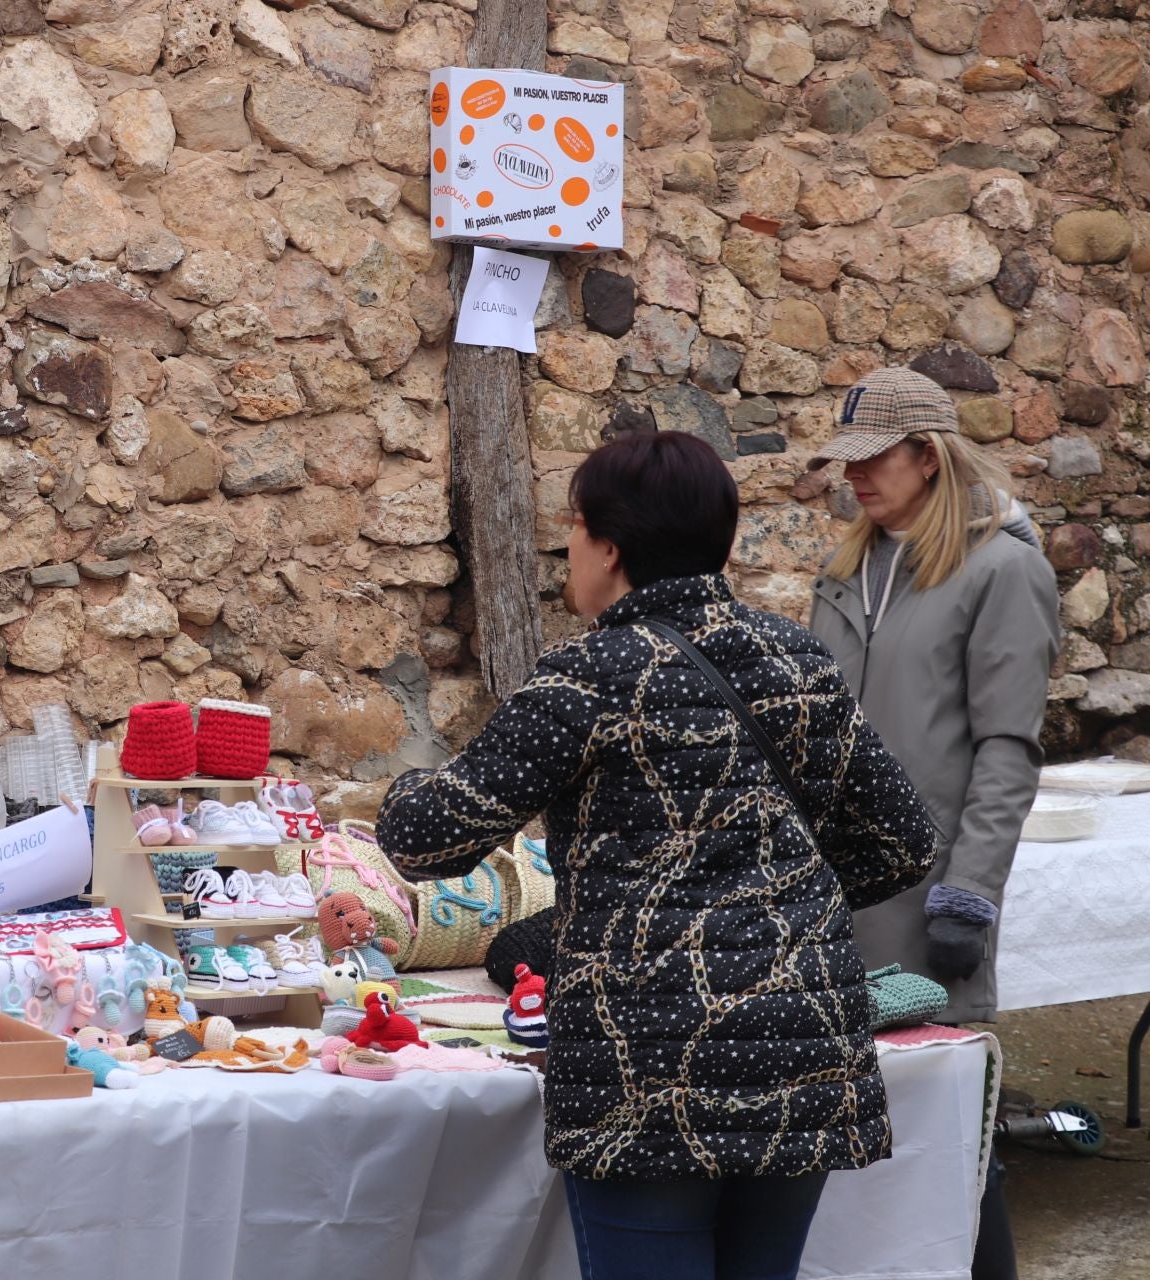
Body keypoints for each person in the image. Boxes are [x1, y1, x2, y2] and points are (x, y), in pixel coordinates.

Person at [376, 432, 937, 1280]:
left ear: (608, 543)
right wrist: (777, 906)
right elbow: (903, 841)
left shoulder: (590, 676)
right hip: (800, 1044)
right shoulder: (797, 658)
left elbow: (425, 839)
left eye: (572, 527)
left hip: (650, 1065)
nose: (568, 547)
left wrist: (390, 797)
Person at [807, 367, 1061, 1280]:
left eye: (873, 460)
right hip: (833, 898)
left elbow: (1007, 746)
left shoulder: (1004, 569)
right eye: (847, 463)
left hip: (930, 900)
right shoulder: (843, 573)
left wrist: (970, 892)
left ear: (928, 455)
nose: (855, 478)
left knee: (954, 1143)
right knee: (850, 1141)